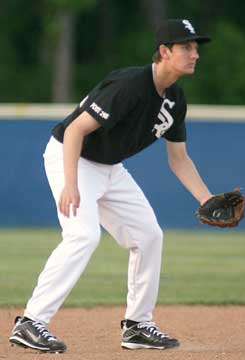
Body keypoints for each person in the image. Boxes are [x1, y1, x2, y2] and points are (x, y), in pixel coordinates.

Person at [10, 18, 212, 353]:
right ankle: (31, 322)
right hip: (71, 155)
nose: (195, 54)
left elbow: (179, 159)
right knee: (83, 235)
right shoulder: (130, 85)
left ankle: (138, 325)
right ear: (164, 51)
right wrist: (71, 183)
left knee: (149, 235)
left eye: (195, 48)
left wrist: (207, 199)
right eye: (186, 47)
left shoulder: (175, 101)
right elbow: (75, 130)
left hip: (108, 167)